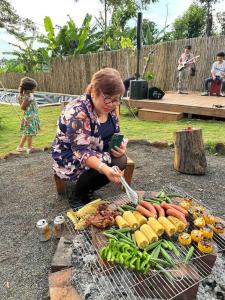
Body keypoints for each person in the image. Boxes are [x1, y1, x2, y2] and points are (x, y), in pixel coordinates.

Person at [51, 68, 127, 206]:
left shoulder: (111, 108)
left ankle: (88, 188)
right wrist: (104, 168)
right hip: (70, 156)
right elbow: (81, 151)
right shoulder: (78, 113)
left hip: (96, 150)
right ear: (93, 91)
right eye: (108, 99)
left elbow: (115, 132)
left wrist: (120, 146)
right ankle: (77, 196)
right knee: (111, 163)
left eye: (117, 99)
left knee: (120, 159)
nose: (113, 104)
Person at [16, 77, 40, 154]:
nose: (35, 89)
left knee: (26, 132)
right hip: (29, 117)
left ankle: (20, 147)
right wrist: (27, 100)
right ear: (29, 88)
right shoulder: (27, 96)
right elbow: (22, 107)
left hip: (31, 115)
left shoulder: (28, 95)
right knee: (30, 132)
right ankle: (29, 147)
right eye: (34, 88)